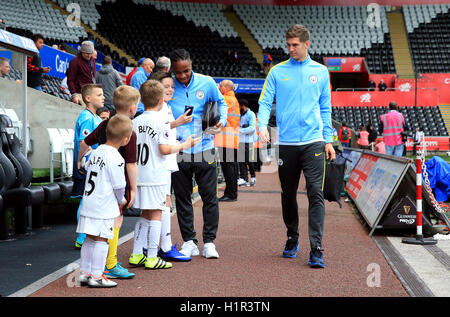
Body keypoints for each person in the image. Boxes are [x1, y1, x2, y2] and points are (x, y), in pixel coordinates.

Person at [257, 24, 335, 269]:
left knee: (315, 193)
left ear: (306, 44)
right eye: (288, 45)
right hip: (286, 144)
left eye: (295, 45)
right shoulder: (278, 72)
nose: (290, 49)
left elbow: (325, 108)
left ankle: (317, 248)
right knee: (288, 194)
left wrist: (329, 139)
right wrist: (261, 126)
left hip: (313, 142)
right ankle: (292, 237)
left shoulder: (321, 72)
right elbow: (265, 100)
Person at [131, 80, 200, 270]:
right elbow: (163, 149)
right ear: (161, 101)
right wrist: (185, 145)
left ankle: (137, 253)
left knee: (145, 214)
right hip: (156, 174)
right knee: (156, 215)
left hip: (140, 173)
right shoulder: (161, 122)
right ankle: (152, 256)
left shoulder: (135, 121)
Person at [168, 48, 228, 259]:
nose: (182, 76)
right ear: (172, 70)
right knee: (182, 198)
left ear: (191, 65)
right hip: (178, 150)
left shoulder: (207, 82)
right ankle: (189, 241)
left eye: (186, 70)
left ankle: (209, 242)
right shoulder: (167, 86)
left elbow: (221, 102)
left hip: (204, 148)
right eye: (178, 72)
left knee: (209, 197)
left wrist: (222, 121)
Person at [78, 85, 139, 279]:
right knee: (114, 222)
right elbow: (131, 164)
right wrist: (134, 189)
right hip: (115, 184)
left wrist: (80, 160)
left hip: (96, 186)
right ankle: (109, 264)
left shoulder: (105, 124)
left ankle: (92, 270)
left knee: (93, 234)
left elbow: (84, 142)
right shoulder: (129, 131)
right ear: (132, 108)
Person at [146, 71, 193, 262]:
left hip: (163, 161)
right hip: (161, 162)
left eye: (172, 86)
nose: (171, 89)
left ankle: (148, 248)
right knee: (163, 204)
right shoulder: (159, 109)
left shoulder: (165, 107)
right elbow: (161, 131)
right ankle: (164, 247)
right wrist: (178, 127)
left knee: (159, 205)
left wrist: (177, 126)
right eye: (166, 86)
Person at [72, 84, 104, 248]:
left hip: (96, 166)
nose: (103, 97)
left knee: (91, 200)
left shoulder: (96, 118)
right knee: (85, 201)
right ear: (88, 98)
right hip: (87, 166)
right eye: (99, 94)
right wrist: (79, 161)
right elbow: (84, 142)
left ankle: (89, 234)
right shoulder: (86, 117)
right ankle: (82, 237)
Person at [215, 79, 240, 202]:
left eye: (220, 85)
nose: (219, 87)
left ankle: (231, 194)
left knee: (228, 167)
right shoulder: (233, 99)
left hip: (226, 139)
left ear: (226, 88)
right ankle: (231, 193)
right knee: (232, 167)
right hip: (231, 139)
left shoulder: (226, 99)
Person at [66, 41, 97, 105]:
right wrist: (74, 95)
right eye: (87, 53)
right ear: (82, 52)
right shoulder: (74, 62)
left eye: (90, 53)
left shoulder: (92, 60)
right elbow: (70, 80)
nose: (89, 55)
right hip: (79, 94)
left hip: (90, 94)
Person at [238, 98, 257, 187]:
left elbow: (252, 128)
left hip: (248, 141)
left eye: (239, 106)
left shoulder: (251, 114)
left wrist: (240, 130)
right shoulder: (240, 115)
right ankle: (244, 179)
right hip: (240, 141)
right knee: (241, 161)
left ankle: (253, 178)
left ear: (243, 106)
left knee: (249, 161)